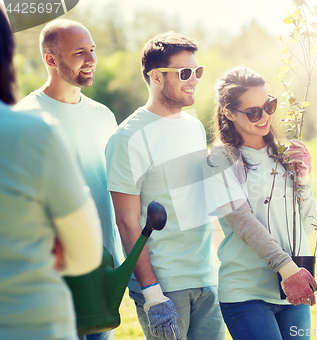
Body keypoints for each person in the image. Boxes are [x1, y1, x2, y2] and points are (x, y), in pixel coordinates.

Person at [105, 32, 224, 340]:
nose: (195, 79)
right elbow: (126, 221)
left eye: (197, 71)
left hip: (207, 276)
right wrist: (152, 293)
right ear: (156, 76)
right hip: (165, 285)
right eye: (185, 73)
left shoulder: (194, 126)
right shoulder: (127, 137)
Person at [13, 19, 122, 340]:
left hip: (103, 269)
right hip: (54, 275)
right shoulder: (27, 117)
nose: (91, 60)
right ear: (50, 59)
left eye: (92, 50)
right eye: (79, 53)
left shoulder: (105, 116)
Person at [202, 65, 317, 340]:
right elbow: (242, 222)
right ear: (228, 113)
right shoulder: (219, 160)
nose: (265, 116)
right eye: (253, 112)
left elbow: (308, 223)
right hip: (246, 293)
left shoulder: (284, 155)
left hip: (292, 291)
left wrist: (303, 179)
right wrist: (288, 269)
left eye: (269, 106)